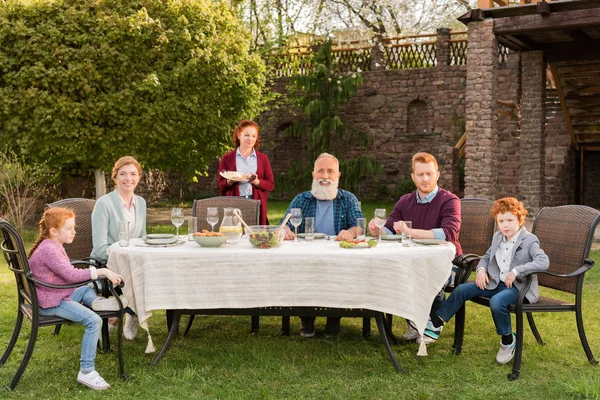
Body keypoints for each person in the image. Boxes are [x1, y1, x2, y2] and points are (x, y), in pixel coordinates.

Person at [420, 197, 549, 365]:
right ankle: (436, 323)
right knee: (462, 289)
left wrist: (517, 271)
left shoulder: (529, 240)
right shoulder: (498, 237)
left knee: (497, 302)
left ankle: (508, 340)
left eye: (510, 220)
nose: (506, 225)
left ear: (520, 219)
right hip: (496, 283)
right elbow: (487, 257)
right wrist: (481, 270)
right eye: (501, 221)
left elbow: (543, 261)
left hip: (517, 288)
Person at [29, 207, 126, 390]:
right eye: (69, 228)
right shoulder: (49, 249)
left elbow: (67, 275)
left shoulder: (52, 244)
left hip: (54, 293)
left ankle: (98, 303)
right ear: (54, 231)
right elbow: (70, 275)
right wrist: (102, 271)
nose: (74, 231)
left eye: (74, 227)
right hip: (51, 302)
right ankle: (87, 371)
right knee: (94, 321)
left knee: (86, 288)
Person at [368, 152, 461, 341]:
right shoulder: (405, 201)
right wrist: (377, 229)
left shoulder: (450, 200)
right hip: (412, 260)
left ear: (437, 175)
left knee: (427, 275)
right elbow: (389, 229)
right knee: (396, 274)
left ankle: (431, 323)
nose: (425, 179)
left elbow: (449, 233)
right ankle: (414, 322)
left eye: (429, 173)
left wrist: (411, 232)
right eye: (420, 174)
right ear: (413, 177)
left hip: (448, 263)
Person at [279, 152, 364, 338]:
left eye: (330, 171)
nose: (325, 176)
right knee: (303, 273)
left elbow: (360, 225)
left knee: (339, 273)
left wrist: (351, 232)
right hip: (305, 256)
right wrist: (285, 231)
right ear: (313, 175)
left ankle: (334, 319)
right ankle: (306, 318)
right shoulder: (301, 199)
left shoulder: (348, 199)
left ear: (338, 176)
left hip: (338, 256)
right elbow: (281, 225)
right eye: (320, 171)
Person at [91, 156, 146, 340]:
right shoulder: (104, 204)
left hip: (135, 260)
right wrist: (123, 254)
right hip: (108, 263)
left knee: (157, 269)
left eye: (132, 174)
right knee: (139, 275)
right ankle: (118, 316)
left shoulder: (141, 203)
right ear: (115, 177)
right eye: (123, 174)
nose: (128, 178)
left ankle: (130, 312)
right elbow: (99, 248)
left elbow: (142, 238)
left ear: (138, 177)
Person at [217, 120, 275, 225]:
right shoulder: (227, 158)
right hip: (234, 203)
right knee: (235, 235)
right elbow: (220, 185)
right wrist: (230, 181)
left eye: (254, 136)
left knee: (255, 236)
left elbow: (270, 185)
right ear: (239, 135)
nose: (250, 139)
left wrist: (257, 182)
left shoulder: (263, 159)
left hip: (256, 203)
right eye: (247, 135)